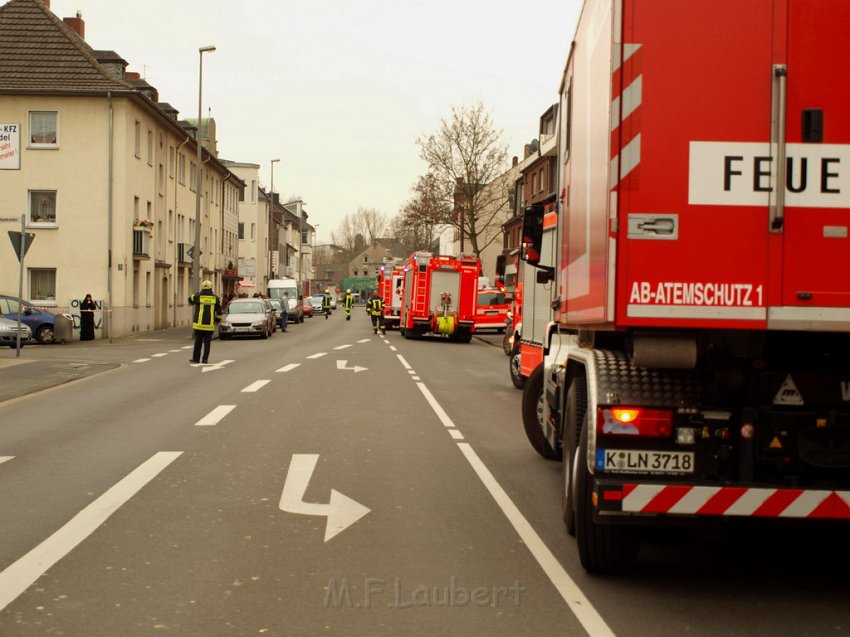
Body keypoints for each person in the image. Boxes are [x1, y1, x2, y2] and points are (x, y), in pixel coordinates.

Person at [188, 279, 222, 364]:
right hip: (209, 326)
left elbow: (190, 299)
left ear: (202, 288)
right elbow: (219, 312)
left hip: (198, 325)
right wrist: (217, 320)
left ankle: (196, 359)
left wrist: (198, 293)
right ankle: (205, 359)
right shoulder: (215, 298)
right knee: (207, 343)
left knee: (198, 343)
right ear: (211, 288)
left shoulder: (198, 296)